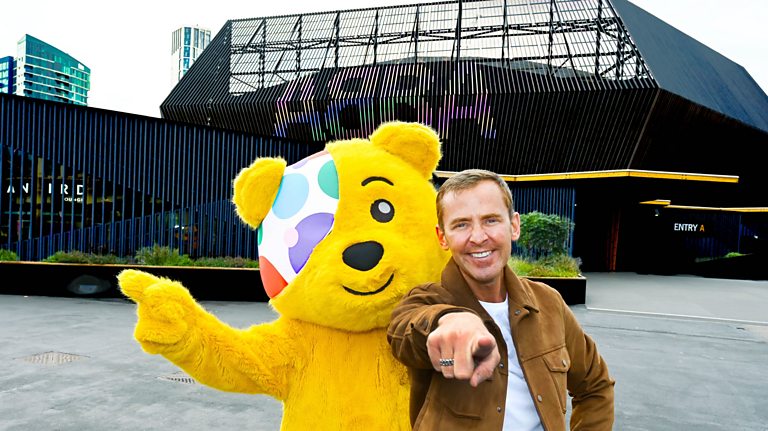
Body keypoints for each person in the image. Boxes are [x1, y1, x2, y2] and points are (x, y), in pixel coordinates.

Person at [387, 168, 615, 431]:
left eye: (491, 220)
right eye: (461, 224)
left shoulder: (549, 303)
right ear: (442, 238)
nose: (478, 237)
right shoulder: (425, 301)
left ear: (514, 226)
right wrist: (449, 322)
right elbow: (404, 332)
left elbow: (595, 385)